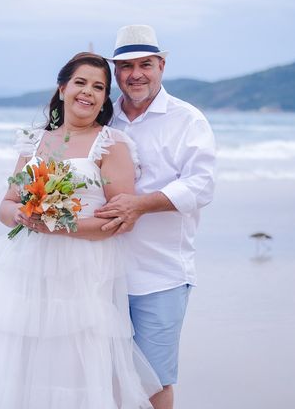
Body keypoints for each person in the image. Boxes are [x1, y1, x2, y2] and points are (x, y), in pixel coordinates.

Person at [0, 52, 161, 409]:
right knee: (26, 359)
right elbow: (6, 204)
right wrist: (23, 215)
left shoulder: (112, 144)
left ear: (106, 99)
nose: (88, 92)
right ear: (62, 88)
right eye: (80, 83)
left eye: (99, 87)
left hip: (84, 269)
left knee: (76, 363)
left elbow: (116, 221)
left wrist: (60, 225)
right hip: (30, 271)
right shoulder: (33, 141)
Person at [95, 25, 216, 409]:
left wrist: (139, 204)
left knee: (154, 381)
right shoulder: (103, 116)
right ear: (115, 71)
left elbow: (201, 185)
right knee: (105, 375)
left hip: (161, 273)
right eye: (126, 66)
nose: (136, 74)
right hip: (101, 270)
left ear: (161, 65)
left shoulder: (187, 119)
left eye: (145, 64)